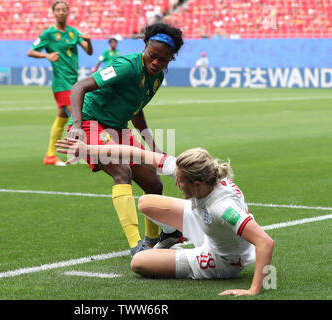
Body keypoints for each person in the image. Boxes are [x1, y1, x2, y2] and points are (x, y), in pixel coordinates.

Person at [56, 138, 275, 296]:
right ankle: (174, 236)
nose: (176, 184)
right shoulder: (196, 175)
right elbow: (137, 154)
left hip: (223, 257)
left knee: (139, 263)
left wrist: (253, 290)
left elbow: (265, 242)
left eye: (180, 181)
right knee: (146, 201)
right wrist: (90, 150)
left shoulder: (223, 207)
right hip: (204, 222)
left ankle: (179, 252)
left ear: (196, 184)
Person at [66, 22, 185, 256]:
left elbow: (136, 109)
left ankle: (157, 239)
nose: (156, 63)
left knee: (154, 183)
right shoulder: (126, 67)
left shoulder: (157, 77)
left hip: (117, 127)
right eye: (153, 56)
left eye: (163, 60)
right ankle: (135, 245)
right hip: (91, 121)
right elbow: (79, 87)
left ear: (170, 59)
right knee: (122, 172)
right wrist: (78, 126)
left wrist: (152, 145)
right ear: (146, 47)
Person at [27, 0, 93, 166]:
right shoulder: (48, 34)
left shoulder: (72, 32)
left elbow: (89, 51)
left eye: (64, 10)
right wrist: (46, 56)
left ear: (68, 12)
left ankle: (50, 156)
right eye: (59, 10)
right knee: (78, 117)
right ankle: (90, 154)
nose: (62, 12)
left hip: (73, 81)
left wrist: (89, 41)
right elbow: (30, 51)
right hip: (61, 83)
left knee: (62, 119)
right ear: (54, 13)